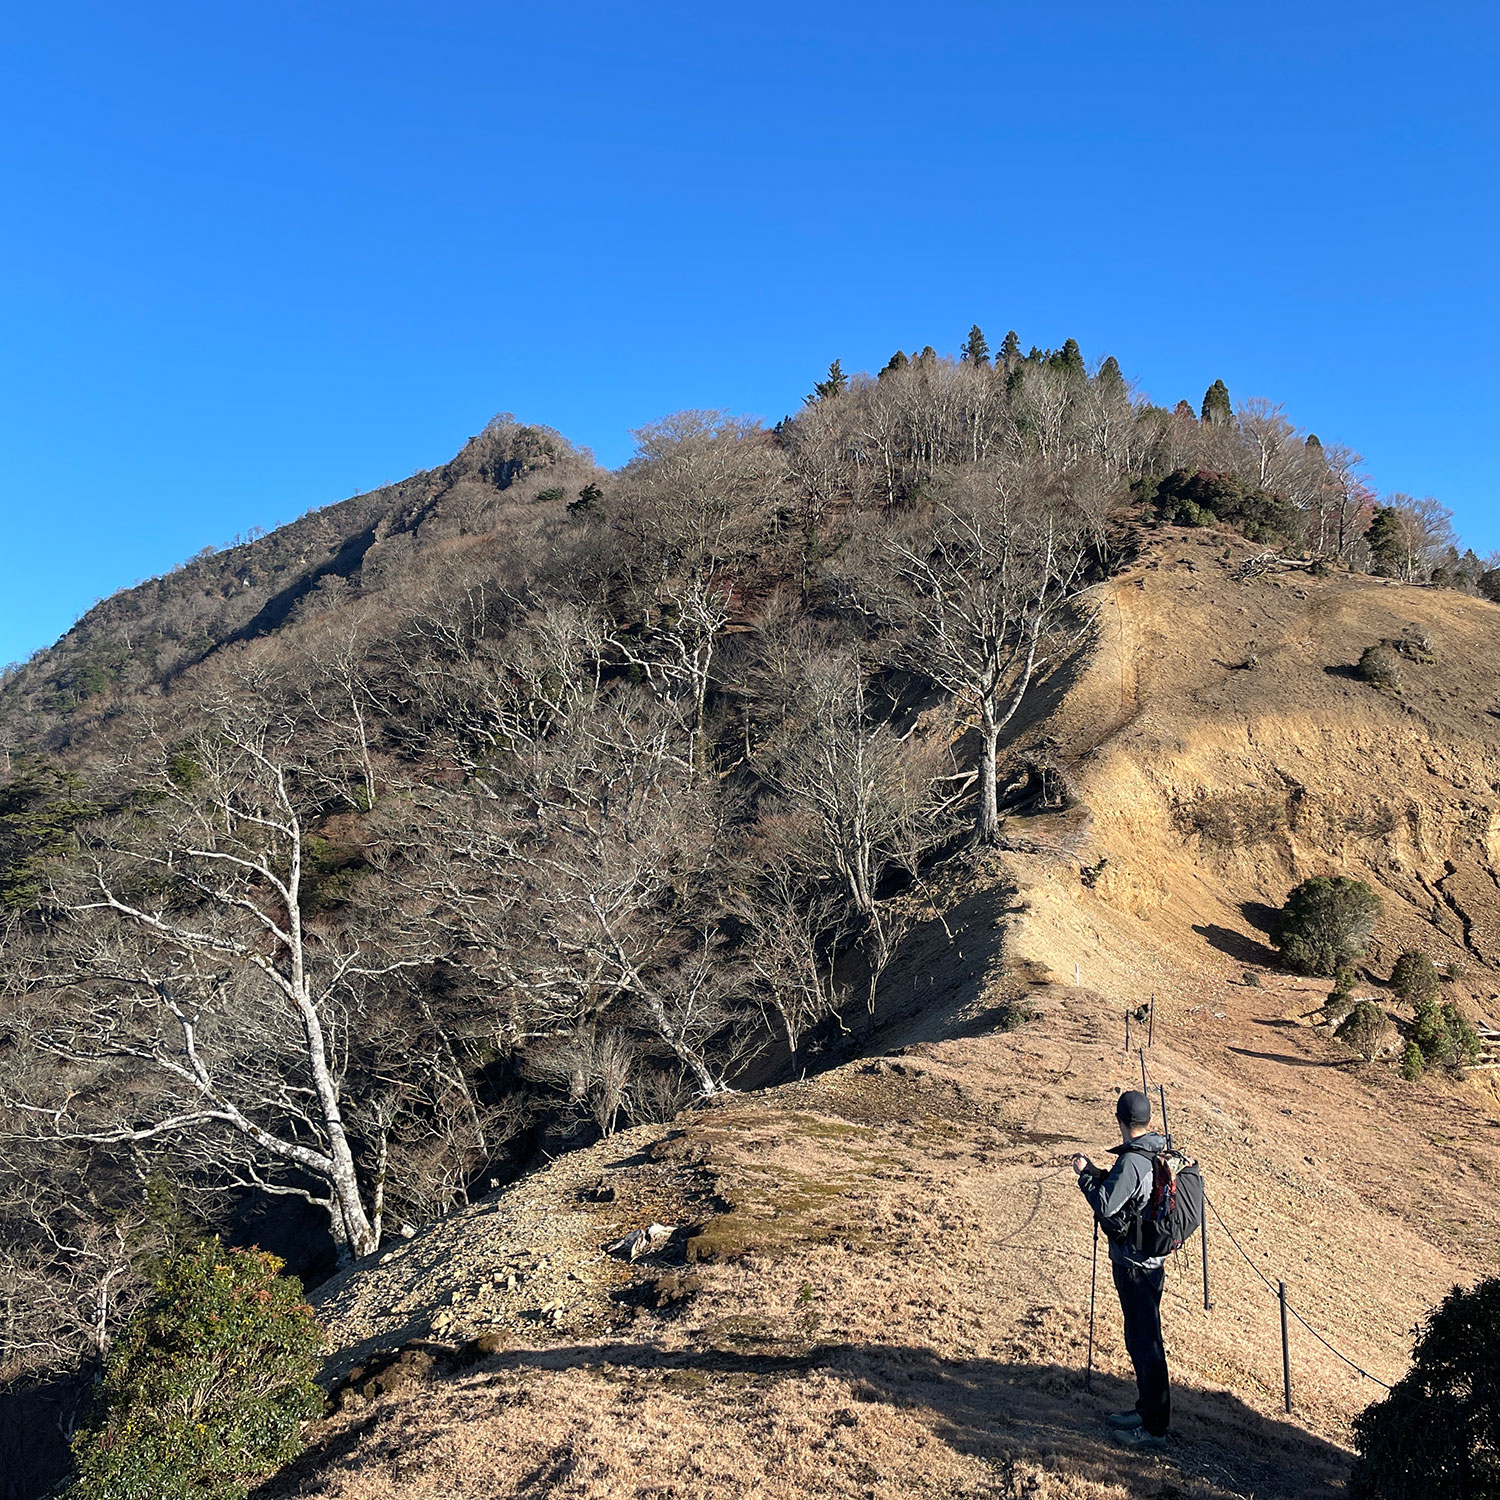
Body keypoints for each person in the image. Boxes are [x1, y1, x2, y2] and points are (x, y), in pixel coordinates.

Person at [1072, 1089, 1171, 1451]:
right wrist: (1100, 1171)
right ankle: (1145, 1412)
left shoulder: (1133, 1162)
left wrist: (1084, 1176)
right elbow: (1123, 1192)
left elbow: (1105, 1203)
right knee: (1143, 1340)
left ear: (1120, 1121)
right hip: (1148, 1263)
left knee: (1145, 1345)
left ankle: (1154, 1428)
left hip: (1136, 1266)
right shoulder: (1150, 1150)